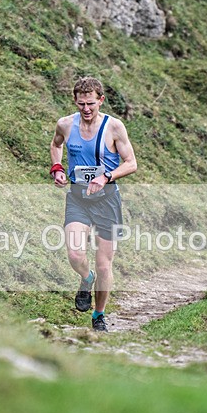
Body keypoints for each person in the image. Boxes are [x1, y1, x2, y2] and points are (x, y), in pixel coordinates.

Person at [49, 76, 138, 331]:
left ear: (101, 100)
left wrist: (106, 176)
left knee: (103, 263)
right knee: (76, 254)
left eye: (90, 104)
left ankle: (99, 315)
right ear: (75, 102)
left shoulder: (114, 127)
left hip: (107, 200)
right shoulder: (65, 124)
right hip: (78, 198)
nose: (86, 110)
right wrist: (57, 168)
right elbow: (56, 145)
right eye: (80, 104)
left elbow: (131, 163)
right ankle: (85, 279)